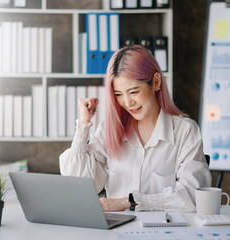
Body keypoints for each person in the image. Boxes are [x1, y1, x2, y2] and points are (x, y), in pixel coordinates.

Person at [59, 45, 211, 212]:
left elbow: (191, 196)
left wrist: (128, 202)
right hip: (116, 233)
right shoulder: (108, 130)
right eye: (118, 94)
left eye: (133, 91)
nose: (127, 102)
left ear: (156, 82)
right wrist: (83, 125)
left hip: (164, 232)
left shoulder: (185, 131)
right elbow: (80, 183)